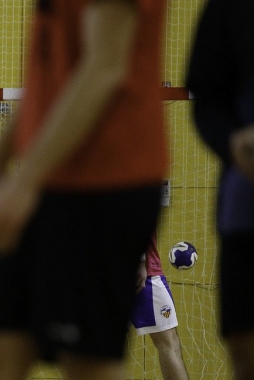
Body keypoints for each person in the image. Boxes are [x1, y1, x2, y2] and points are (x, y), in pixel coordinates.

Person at [0, 1, 168, 379]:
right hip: (50, 185)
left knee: (87, 363)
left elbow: (103, 68)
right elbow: (45, 85)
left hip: (106, 182)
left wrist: (25, 182)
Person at [187, 0, 254, 378]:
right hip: (244, 203)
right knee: (244, 348)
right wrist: (231, 141)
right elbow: (206, 99)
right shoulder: (231, 9)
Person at [131, 233, 189, 380]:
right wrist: (141, 259)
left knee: (95, 350)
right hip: (143, 274)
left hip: (97, 269)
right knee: (169, 343)